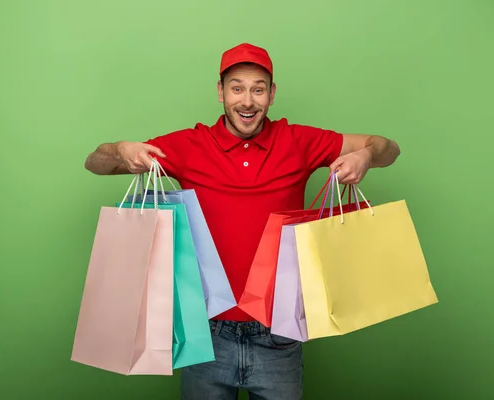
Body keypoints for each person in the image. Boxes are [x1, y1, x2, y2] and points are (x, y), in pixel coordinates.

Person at [84, 43, 400, 400]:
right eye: (237, 88)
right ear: (220, 92)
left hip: (279, 333)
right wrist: (122, 148)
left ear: (272, 94)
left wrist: (367, 155)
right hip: (205, 333)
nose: (247, 101)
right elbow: (96, 162)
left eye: (258, 89)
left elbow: (387, 147)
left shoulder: (299, 141)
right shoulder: (189, 145)